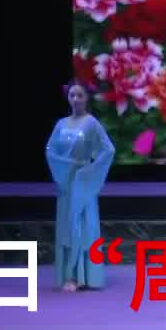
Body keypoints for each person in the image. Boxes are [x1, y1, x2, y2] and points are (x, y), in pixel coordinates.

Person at [45, 81, 114, 291]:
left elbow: (108, 150)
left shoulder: (91, 123)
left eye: (80, 95)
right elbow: (50, 151)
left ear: (87, 98)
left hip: (83, 183)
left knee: (83, 226)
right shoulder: (61, 124)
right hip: (65, 182)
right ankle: (69, 275)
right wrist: (64, 167)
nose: (75, 99)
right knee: (68, 226)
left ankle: (83, 276)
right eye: (72, 95)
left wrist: (89, 169)